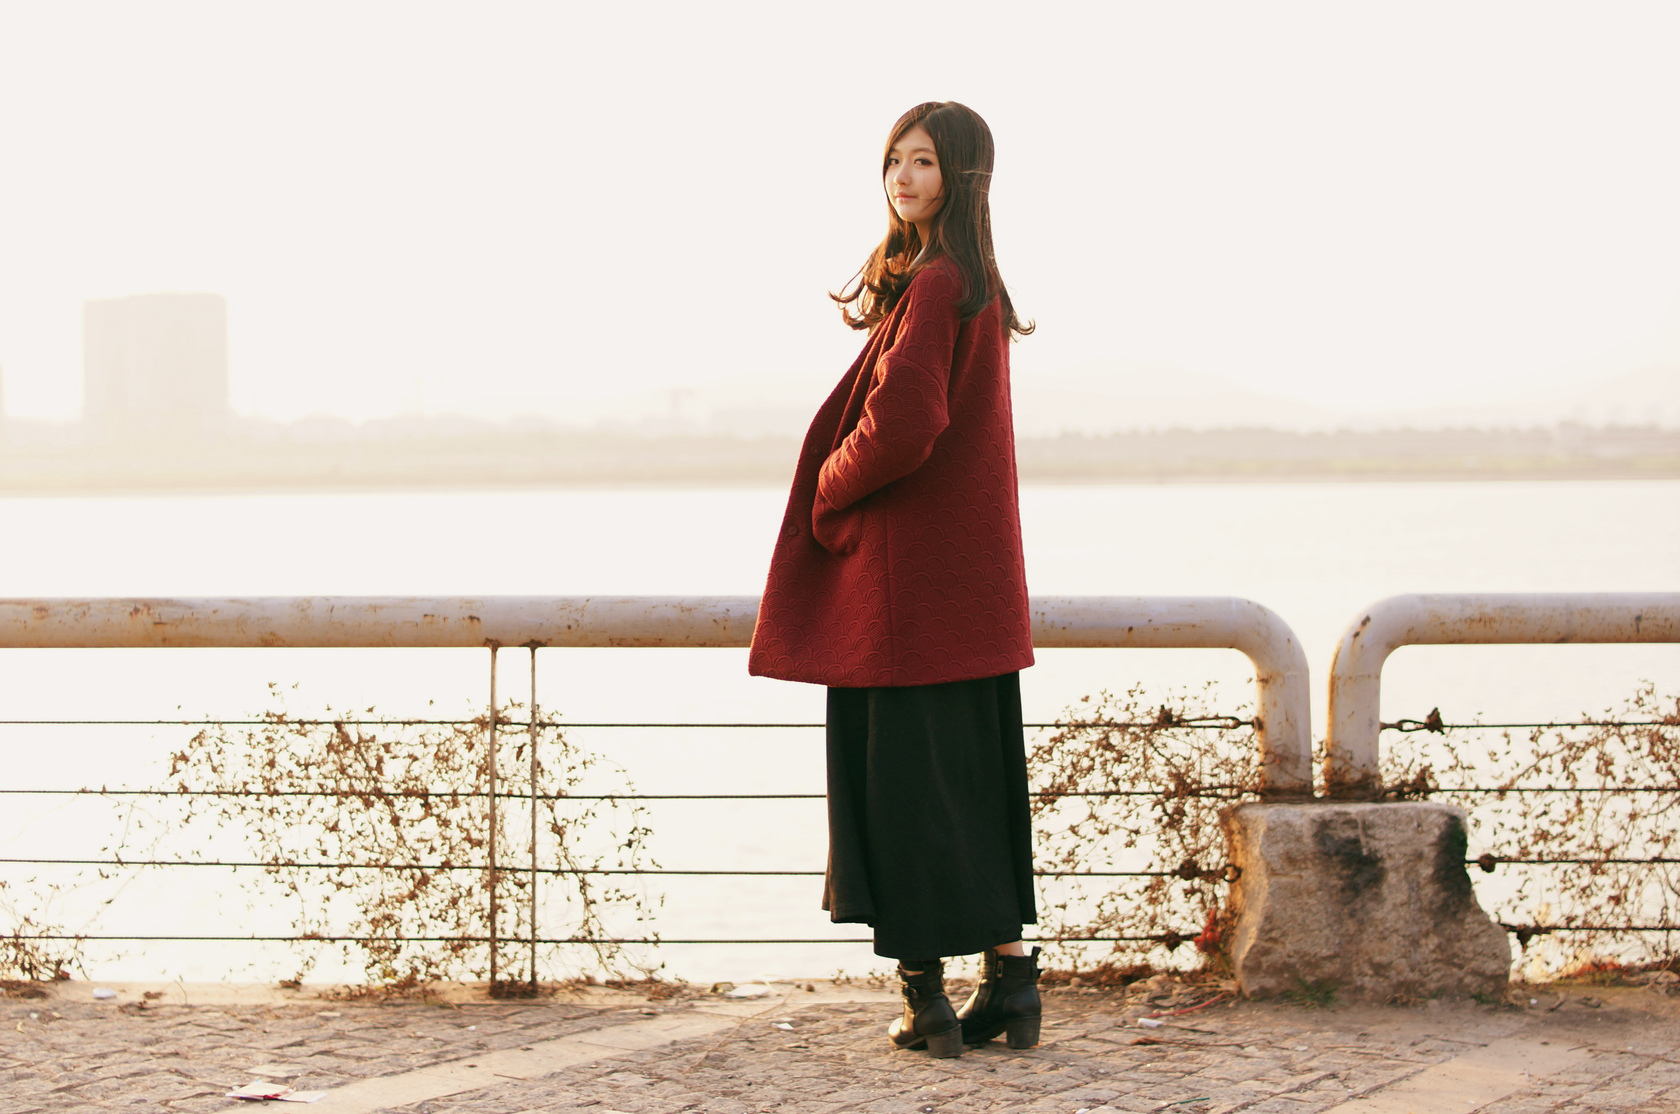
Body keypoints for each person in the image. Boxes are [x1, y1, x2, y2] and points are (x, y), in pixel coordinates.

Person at [748, 101, 1041, 1058]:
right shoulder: (975, 283)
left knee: (902, 793)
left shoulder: (935, 284)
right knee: (974, 790)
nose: (903, 179)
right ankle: (1013, 990)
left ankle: (927, 1003)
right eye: (894, 161)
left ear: (963, 178)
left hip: (905, 600)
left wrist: (829, 481)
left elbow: (904, 425)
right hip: (967, 599)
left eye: (924, 163)